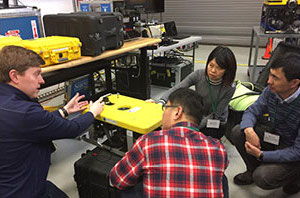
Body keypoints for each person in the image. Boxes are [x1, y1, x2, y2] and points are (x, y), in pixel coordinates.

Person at [0, 46, 104, 198]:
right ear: (14, 76)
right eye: (36, 75)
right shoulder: (25, 113)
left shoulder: (10, 105)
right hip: (24, 191)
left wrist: (64, 111)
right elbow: (73, 128)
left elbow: (36, 125)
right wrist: (92, 112)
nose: (42, 81)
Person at [110, 88, 228, 197]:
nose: (163, 114)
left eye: (165, 108)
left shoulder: (148, 142)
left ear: (177, 112)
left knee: (133, 180)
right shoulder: (219, 148)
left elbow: (117, 179)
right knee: (222, 178)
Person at [230, 52, 300, 194]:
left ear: (294, 83)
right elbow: (252, 111)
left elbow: (297, 151)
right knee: (238, 131)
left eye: (275, 77)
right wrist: (249, 130)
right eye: (270, 74)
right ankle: (252, 169)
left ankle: (295, 176)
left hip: (293, 149)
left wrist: (262, 155)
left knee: (262, 177)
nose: (268, 81)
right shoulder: (271, 91)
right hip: (275, 136)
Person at [157, 46, 237, 139]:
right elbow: (178, 88)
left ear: (227, 70)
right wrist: (162, 101)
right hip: (199, 114)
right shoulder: (199, 74)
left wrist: (193, 127)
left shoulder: (230, 87)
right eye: (211, 65)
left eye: (219, 68)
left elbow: (216, 115)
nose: (213, 70)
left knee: (199, 136)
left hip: (215, 121)